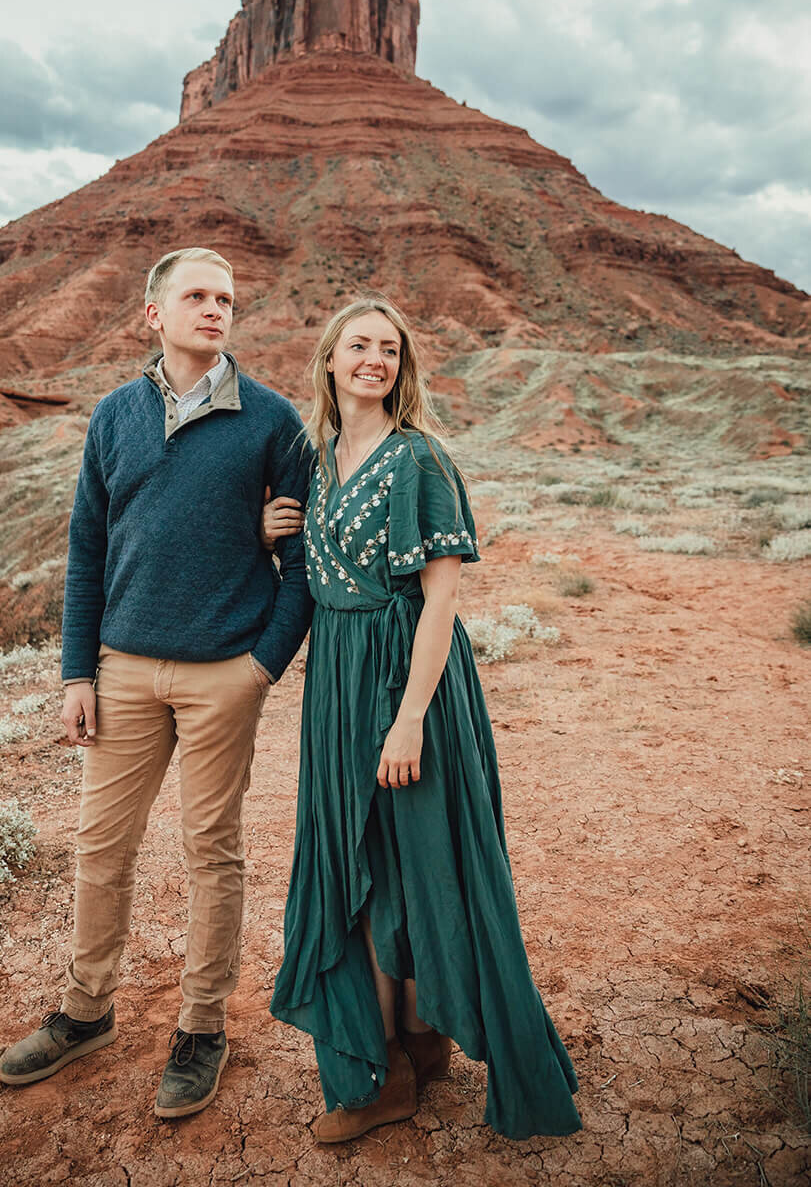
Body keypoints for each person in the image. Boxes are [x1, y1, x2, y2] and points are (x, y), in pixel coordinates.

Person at [0, 248, 313, 1119]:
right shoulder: (114, 416)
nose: (215, 310)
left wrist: (260, 669)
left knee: (213, 852)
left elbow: (302, 567)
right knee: (102, 847)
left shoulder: (274, 423)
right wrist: (76, 672)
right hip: (124, 670)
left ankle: (201, 1027)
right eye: (197, 297)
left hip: (224, 675)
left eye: (226, 299)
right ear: (153, 314)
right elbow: (86, 549)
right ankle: (84, 1010)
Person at [265, 297, 582, 1143]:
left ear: (402, 368)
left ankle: (398, 1060)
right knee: (359, 863)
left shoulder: (419, 460)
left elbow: (441, 598)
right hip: (335, 676)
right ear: (329, 359)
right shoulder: (319, 457)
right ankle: (399, 1051)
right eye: (358, 346)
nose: (374, 359)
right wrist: (275, 531)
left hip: (412, 680)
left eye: (390, 349)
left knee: (427, 860)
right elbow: (319, 566)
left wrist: (408, 719)